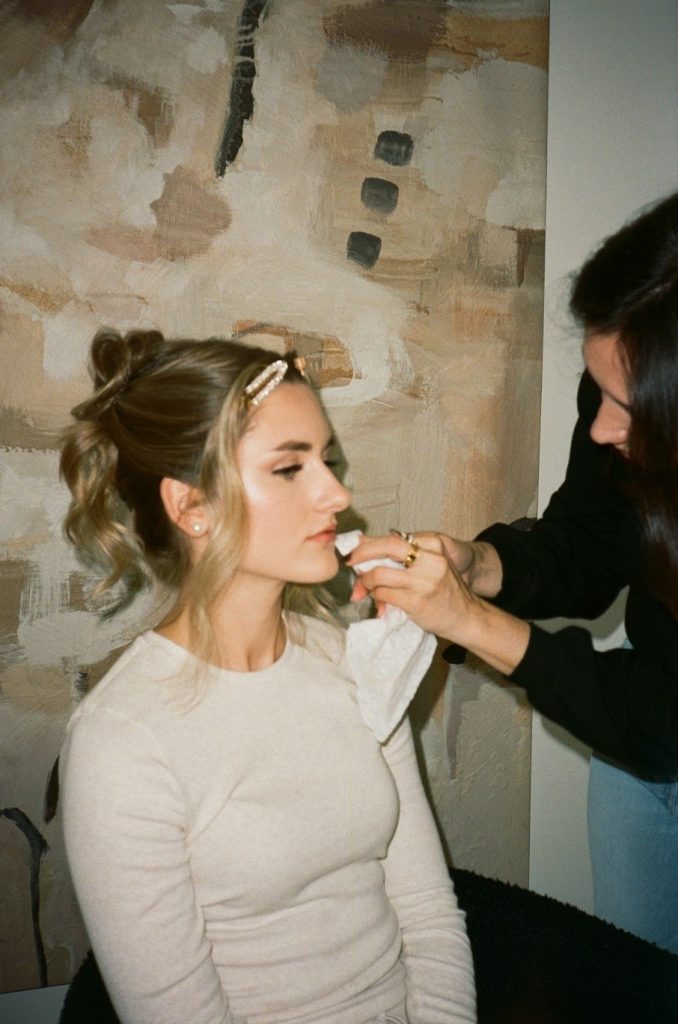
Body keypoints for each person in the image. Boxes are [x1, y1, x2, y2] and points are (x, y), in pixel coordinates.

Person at [58, 328, 476, 1024]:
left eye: (328, 460)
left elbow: (429, 914)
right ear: (191, 505)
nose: (336, 494)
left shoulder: (352, 659)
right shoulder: (122, 743)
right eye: (291, 468)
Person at [348, 190, 678, 955]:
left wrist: (470, 623)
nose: (600, 428)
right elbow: (589, 545)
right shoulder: (618, 397)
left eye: (628, 405)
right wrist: (481, 566)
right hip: (640, 740)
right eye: (596, 391)